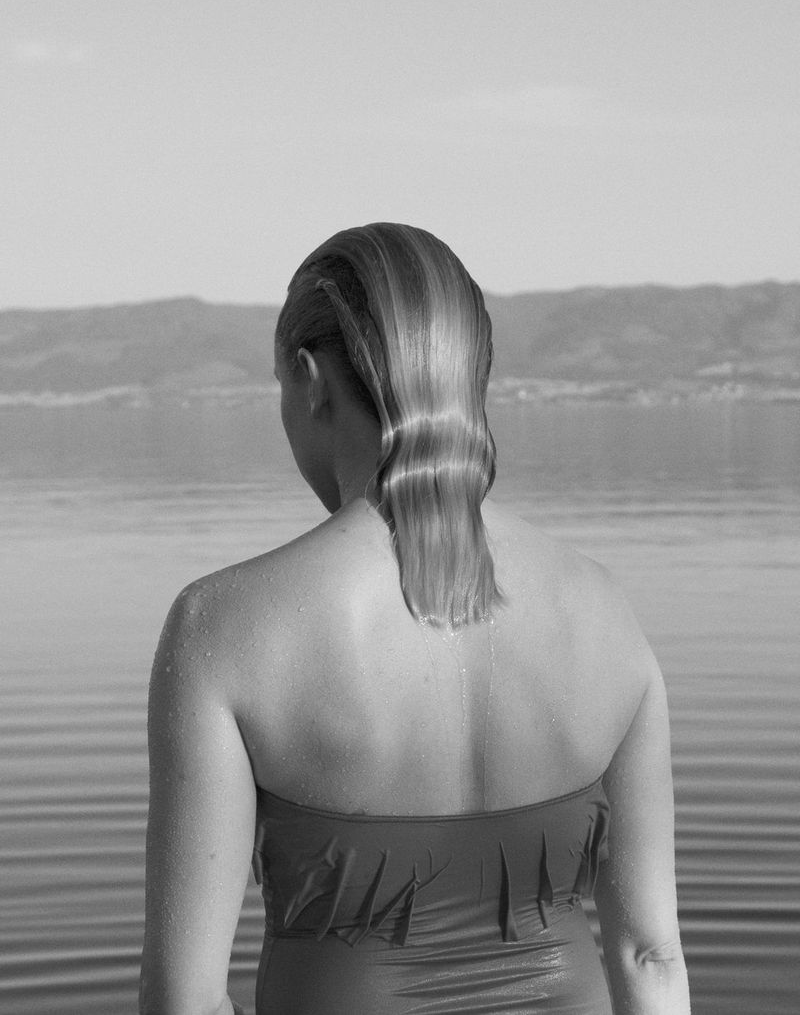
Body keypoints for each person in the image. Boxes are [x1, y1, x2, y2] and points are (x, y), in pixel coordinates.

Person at [140, 223, 690, 1015]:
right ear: (470, 376)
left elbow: (183, 1002)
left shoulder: (222, 629)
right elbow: (650, 957)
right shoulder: (605, 609)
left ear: (309, 378)